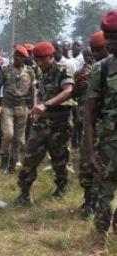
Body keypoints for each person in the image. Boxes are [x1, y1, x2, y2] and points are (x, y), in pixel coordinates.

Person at [15, 41, 75, 204]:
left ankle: (62, 187)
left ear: (51, 56)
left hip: (60, 123)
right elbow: (41, 93)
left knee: (59, 159)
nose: (38, 63)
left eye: (41, 59)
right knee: (30, 156)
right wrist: (37, 108)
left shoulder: (63, 70)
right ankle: (24, 194)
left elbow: (68, 91)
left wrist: (46, 104)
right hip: (42, 123)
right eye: (36, 59)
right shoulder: (41, 73)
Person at [84, 10, 117, 256]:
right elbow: (89, 115)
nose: (110, 42)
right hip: (109, 145)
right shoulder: (101, 69)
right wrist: (90, 151)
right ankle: (98, 242)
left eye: (114, 36)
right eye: (107, 36)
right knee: (104, 193)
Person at [77, 32, 109, 219]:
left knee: (105, 168)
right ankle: (89, 201)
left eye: (98, 50)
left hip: (108, 128)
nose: (94, 54)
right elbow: (79, 97)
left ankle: (99, 204)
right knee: (87, 164)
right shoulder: (92, 70)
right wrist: (79, 82)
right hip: (91, 125)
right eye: (92, 50)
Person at [0, 45, 35, 173]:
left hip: (22, 107)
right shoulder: (5, 70)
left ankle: (12, 163)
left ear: (25, 59)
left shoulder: (30, 72)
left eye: (21, 57)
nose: (18, 58)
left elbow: (33, 91)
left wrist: (32, 107)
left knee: (18, 138)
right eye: (16, 55)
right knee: (8, 134)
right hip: (7, 106)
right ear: (14, 56)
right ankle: (4, 155)